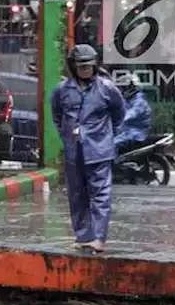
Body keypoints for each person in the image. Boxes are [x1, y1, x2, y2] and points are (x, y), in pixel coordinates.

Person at [52, 44, 125, 253]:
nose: (85, 70)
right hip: (74, 150)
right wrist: (67, 135)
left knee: (101, 194)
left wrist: (108, 136)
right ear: (73, 67)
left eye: (88, 66)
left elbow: (119, 113)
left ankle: (99, 238)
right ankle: (83, 235)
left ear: (95, 66)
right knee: (76, 194)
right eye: (80, 67)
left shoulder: (107, 88)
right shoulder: (62, 90)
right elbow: (57, 116)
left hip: (99, 150)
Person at [112, 73, 152, 156]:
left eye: (124, 87)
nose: (122, 90)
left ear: (131, 87)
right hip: (125, 132)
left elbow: (131, 113)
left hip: (136, 134)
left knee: (111, 145)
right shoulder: (128, 100)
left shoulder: (139, 101)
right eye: (121, 88)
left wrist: (119, 118)